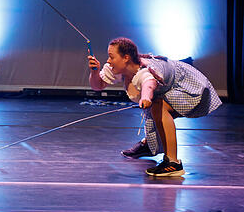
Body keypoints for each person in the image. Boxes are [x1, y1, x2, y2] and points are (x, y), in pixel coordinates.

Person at [87, 37, 221, 176]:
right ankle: (150, 145)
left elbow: (148, 84)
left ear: (126, 58)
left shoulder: (145, 71)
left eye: (111, 57)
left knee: (158, 107)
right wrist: (94, 72)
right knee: (156, 109)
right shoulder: (117, 68)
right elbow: (98, 86)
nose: (108, 61)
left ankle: (173, 163)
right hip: (167, 89)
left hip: (187, 85)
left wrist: (145, 98)